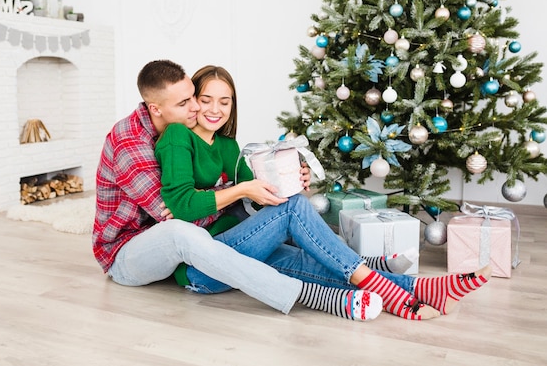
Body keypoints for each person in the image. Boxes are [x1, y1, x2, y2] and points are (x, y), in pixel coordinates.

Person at [153, 64, 492, 320]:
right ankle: (388, 289)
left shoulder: (228, 145)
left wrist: (295, 179)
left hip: (240, 254)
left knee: (306, 255)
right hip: (201, 266)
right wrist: (245, 187)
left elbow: (258, 196)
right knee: (294, 211)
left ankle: (421, 288)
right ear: (192, 101)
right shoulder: (177, 137)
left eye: (224, 101)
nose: (215, 109)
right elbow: (182, 206)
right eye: (206, 99)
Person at [93, 59, 382, 321]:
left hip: (186, 251)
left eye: (194, 97)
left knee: (279, 237)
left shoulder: (192, 130)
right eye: (188, 102)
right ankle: (311, 295)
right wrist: (234, 192)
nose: (196, 108)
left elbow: (226, 200)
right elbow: (181, 218)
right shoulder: (132, 145)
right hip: (127, 252)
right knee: (182, 232)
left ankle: (387, 281)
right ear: (155, 108)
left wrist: (288, 179)